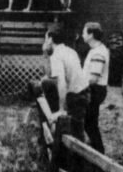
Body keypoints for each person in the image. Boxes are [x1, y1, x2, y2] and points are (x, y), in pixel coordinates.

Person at [40, 29, 90, 127]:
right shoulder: (71, 51)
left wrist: (61, 109)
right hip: (85, 92)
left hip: (76, 97)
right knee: (45, 81)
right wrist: (46, 53)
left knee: (70, 127)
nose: (45, 42)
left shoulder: (56, 55)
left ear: (50, 39)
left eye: (45, 39)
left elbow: (61, 82)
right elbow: (50, 75)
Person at [82, 22, 109, 153]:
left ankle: (99, 152)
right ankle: (95, 149)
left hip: (94, 90)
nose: (82, 35)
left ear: (91, 35)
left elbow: (93, 78)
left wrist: (78, 85)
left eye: (84, 32)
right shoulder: (95, 50)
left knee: (90, 124)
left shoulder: (99, 52)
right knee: (89, 123)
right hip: (93, 90)